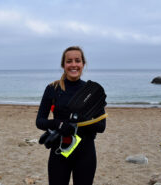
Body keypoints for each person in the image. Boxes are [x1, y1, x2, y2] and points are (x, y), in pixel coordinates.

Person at [36, 46, 106, 185]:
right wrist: (59, 124)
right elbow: (40, 121)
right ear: (63, 65)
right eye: (69, 61)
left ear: (83, 64)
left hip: (86, 154)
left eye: (77, 61)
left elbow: (101, 126)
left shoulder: (92, 91)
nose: (73, 65)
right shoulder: (53, 88)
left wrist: (81, 121)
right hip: (60, 152)